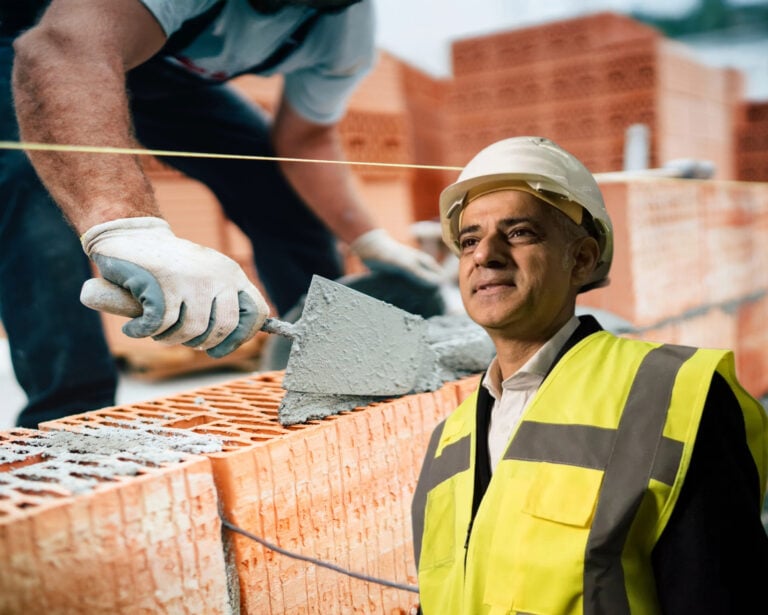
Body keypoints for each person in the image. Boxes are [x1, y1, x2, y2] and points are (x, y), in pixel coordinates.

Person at [3, 0, 443, 428]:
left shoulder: (344, 31)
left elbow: (305, 140)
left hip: (167, 74)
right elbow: (61, 48)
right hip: (46, 38)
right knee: (36, 198)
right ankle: (70, 421)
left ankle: (331, 369)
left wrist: (367, 238)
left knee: (273, 182)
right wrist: (128, 227)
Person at [410, 136, 768, 614]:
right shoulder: (448, 444)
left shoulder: (671, 395)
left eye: (518, 233)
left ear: (580, 258)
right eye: (470, 239)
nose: (485, 255)